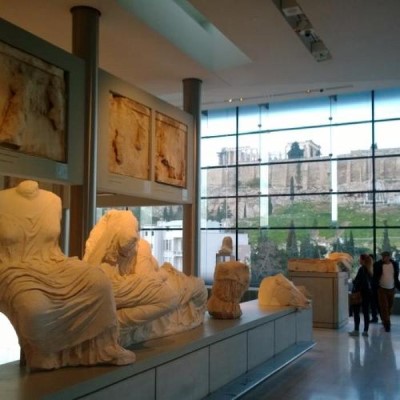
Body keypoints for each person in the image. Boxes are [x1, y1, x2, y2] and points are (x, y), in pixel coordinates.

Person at [0, 181, 136, 370]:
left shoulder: (53, 200)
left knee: (99, 283)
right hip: (14, 268)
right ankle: (42, 351)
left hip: (55, 262)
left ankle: (102, 348)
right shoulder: (3, 201)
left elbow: (54, 245)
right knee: (34, 308)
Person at [83, 209, 208, 346]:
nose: (129, 252)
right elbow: (147, 280)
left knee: (198, 287)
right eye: (124, 250)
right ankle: (114, 325)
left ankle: (114, 324)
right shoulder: (109, 256)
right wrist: (161, 276)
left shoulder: (139, 247)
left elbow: (147, 280)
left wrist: (161, 275)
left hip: (166, 280)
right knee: (196, 288)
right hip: (160, 283)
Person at [372, 251, 400, 332]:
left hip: (392, 289)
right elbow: (375, 277)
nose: (383, 258)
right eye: (383, 256)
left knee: (389, 307)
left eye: (385, 256)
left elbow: (396, 277)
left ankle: (385, 320)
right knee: (384, 307)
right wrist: (375, 287)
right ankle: (387, 324)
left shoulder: (394, 264)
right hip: (381, 289)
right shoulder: (378, 265)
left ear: (389, 257)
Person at [349, 253, 374, 337]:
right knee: (366, 312)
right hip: (367, 294)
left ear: (363, 260)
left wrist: (353, 281)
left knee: (356, 312)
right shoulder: (370, 269)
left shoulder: (362, 269)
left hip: (359, 294)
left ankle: (356, 330)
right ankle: (365, 331)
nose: (359, 260)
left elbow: (358, 282)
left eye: (360, 259)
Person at [369, 253, 379, 323]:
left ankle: (375, 317)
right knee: (374, 304)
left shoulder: (374, 266)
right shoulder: (372, 266)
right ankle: (375, 317)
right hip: (374, 288)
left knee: (375, 304)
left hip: (374, 288)